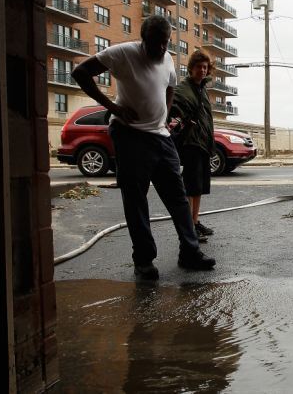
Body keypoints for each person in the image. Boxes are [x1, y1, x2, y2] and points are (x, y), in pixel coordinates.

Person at [71, 15, 216, 280]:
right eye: (154, 43)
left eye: (164, 43)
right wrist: (113, 107)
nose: (160, 49)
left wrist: (164, 117)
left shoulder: (168, 58)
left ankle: (190, 251)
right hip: (130, 136)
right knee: (136, 200)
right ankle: (144, 260)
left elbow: (171, 84)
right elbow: (80, 72)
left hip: (161, 137)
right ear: (142, 39)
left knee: (178, 197)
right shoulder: (123, 53)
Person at [169, 50, 216, 243]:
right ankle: (189, 227)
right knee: (190, 186)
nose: (202, 70)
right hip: (190, 143)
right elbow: (172, 108)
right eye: (199, 67)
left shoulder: (202, 89)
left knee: (199, 187)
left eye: (205, 67)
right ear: (191, 68)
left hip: (203, 142)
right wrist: (184, 119)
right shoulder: (183, 88)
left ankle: (195, 222)